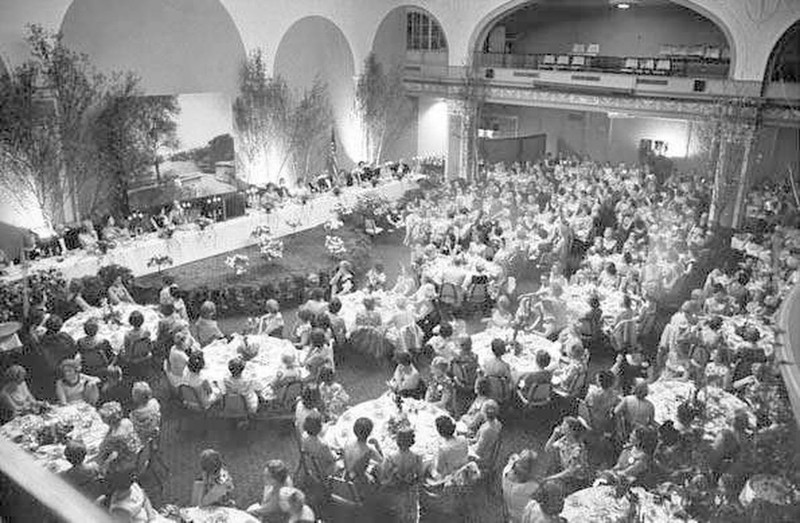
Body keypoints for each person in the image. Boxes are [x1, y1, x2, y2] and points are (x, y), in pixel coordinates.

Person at [381, 429, 425, 523]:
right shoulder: (417, 457)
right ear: (412, 441)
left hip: (395, 493)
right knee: (410, 517)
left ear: (397, 441)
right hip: (410, 494)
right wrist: (411, 482)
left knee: (396, 516)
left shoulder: (390, 457)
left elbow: (384, 480)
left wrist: (394, 479)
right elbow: (420, 478)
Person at [542, 417, 590, 493]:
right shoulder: (564, 440)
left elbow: (571, 471)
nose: (561, 427)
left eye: (564, 425)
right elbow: (547, 449)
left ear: (571, 431)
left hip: (576, 480)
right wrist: (554, 435)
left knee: (550, 485)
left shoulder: (577, 449)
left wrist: (552, 477)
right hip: (566, 475)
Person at [97, 402, 142, 475]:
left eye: (102, 418)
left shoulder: (116, 436)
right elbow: (111, 430)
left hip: (126, 462)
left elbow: (105, 450)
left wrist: (105, 464)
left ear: (109, 420)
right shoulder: (126, 421)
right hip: (135, 454)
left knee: (98, 463)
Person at [502, 450, 543, 523]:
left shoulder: (505, 473)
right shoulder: (533, 487)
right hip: (525, 518)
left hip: (510, 514)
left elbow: (511, 464)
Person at [343, 417, 383, 486]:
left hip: (347, 476)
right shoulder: (369, 449)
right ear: (369, 433)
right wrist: (377, 445)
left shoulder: (347, 443)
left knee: (360, 467)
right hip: (360, 482)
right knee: (378, 469)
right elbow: (382, 461)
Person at [582, 370, 620, 434]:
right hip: (604, 420)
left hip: (592, 419)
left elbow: (586, 404)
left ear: (599, 382)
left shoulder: (593, 394)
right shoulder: (615, 395)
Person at [433, 415, 469, 479]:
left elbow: (439, 470)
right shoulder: (463, 439)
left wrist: (436, 457)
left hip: (451, 476)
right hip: (463, 471)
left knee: (429, 468)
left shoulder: (443, 449)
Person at [470, 400, 502, 469]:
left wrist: (467, 446)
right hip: (489, 451)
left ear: (484, 413)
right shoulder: (498, 424)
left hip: (482, 457)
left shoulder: (486, 429)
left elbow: (479, 451)